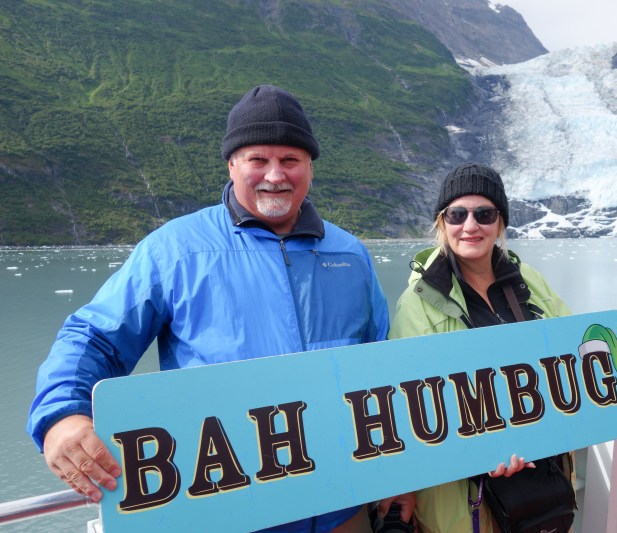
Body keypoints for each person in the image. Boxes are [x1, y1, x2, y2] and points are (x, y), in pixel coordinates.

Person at [26, 84, 389, 532]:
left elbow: (384, 365)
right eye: (258, 159)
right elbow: (95, 336)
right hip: (225, 509)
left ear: (310, 167)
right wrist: (62, 415)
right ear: (232, 164)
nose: (275, 174)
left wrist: (401, 472)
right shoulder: (175, 249)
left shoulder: (350, 254)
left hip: (341, 508)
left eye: (290, 160)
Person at [378, 162, 617, 532]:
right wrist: (484, 450)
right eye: (457, 214)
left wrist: (610, 350)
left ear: (500, 223)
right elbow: (411, 407)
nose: (470, 226)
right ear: (441, 223)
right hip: (463, 501)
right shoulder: (417, 302)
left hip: (540, 484)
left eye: (484, 214)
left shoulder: (527, 280)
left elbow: (572, 356)